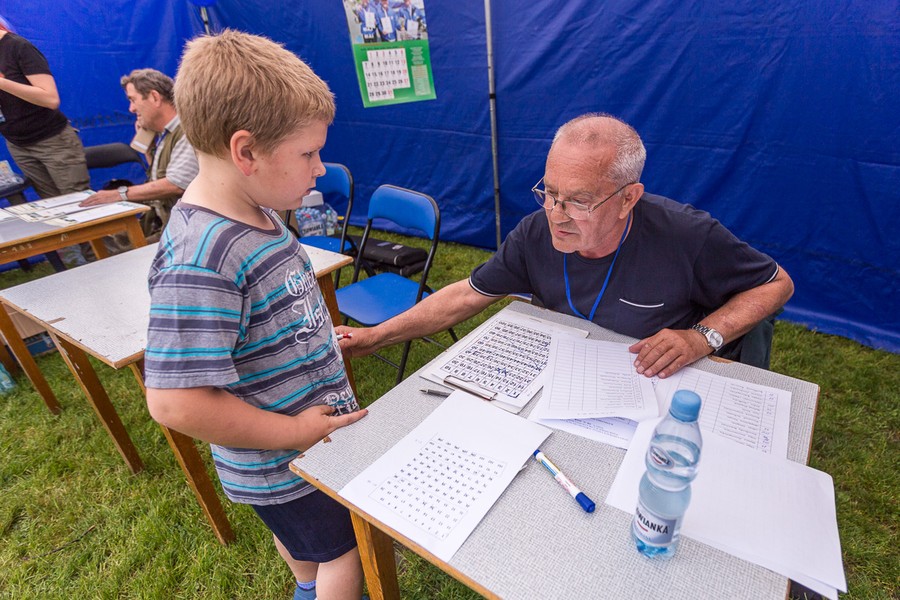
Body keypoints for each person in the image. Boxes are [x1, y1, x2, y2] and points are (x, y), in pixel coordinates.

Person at [142, 31, 367, 600]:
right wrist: (295, 432)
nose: (320, 168)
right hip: (286, 461)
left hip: (301, 450)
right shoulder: (203, 257)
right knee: (343, 551)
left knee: (305, 543)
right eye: (308, 153)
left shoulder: (257, 209)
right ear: (245, 152)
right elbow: (174, 401)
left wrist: (311, 338)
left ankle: (306, 588)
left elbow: (264, 313)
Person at [340, 113, 794, 379]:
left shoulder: (687, 234)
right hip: (567, 375)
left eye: (579, 201)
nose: (556, 214)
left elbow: (776, 285)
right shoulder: (534, 232)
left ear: (628, 199)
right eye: (550, 192)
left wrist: (701, 337)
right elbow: (466, 294)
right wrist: (377, 336)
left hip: (654, 382)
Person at [0, 22, 92, 266]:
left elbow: (50, 98)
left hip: (52, 139)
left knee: (80, 206)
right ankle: (78, 267)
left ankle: (108, 261)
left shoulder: (17, 47)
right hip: (18, 143)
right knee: (53, 209)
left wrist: (3, 83)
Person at [80, 68, 199, 243]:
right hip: (166, 225)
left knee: (118, 253)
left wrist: (118, 194)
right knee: (111, 242)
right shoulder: (165, 134)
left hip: (184, 232)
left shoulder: (185, 132)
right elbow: (163, 179)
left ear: (155, 97)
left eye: (133, 100)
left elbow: (175, 184)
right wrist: (148, 151)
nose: (131, 108)